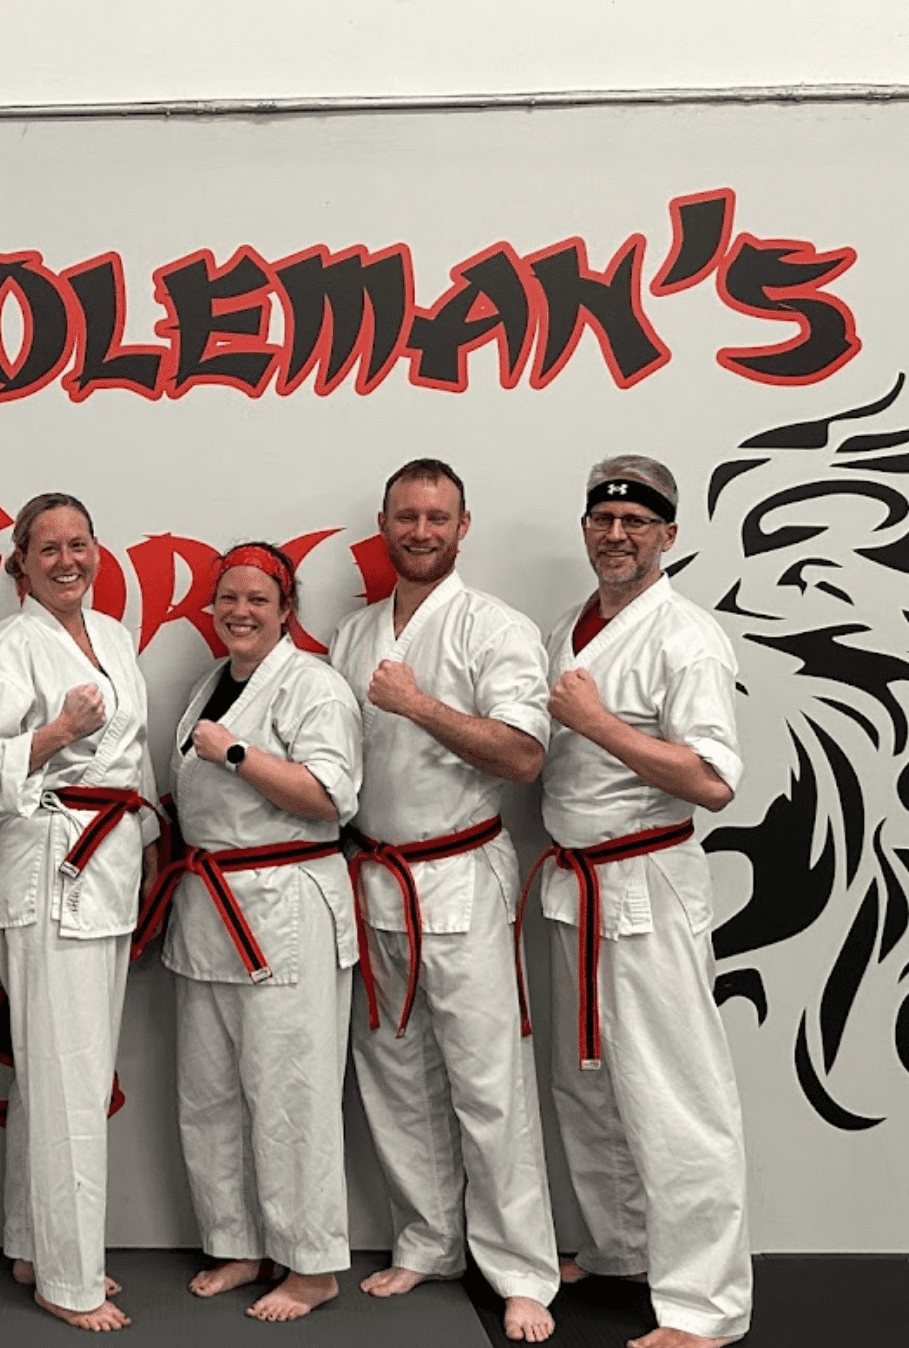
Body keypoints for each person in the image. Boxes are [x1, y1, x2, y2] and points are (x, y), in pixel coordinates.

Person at [327, 460, 559, 1343]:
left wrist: (418, 704)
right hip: (375, 876)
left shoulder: (493, 627)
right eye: (406, 516)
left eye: (437, 517)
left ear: (465, 527)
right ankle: (428, 1239)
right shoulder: (353, 635)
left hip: (461, 876)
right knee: (393, 1075)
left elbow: (523, 756)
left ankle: (523, 1270)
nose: (420, 531)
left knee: (488, 1085)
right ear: (383, 523)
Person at [539, 455, 750, 1348]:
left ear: (669, 534)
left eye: (637, 522)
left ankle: (705, 1308)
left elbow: (710, 782)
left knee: (675, 1095)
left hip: (647, 881)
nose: (616, 535)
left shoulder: (685, 635)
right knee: (587, 1086)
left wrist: (599, 725)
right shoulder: (571, 627)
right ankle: (623, 1247)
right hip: (575, 886)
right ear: (586, 526)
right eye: (603, 519)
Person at [0, 492, 160, 1333]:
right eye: (49, 549)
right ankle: (71, 1279)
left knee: (60, 1075)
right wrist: (54, 734)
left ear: (96, 552)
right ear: (21, 562)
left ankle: (34, 1244)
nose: (67, 560)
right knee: (68, 1079)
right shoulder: (8, 646)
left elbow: (133, 757)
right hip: (47, 863)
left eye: (80, 544)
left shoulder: (113, 636)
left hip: (107, 861)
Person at [139, 542, 360, 1322]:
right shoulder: (211, 683)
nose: (239, 611)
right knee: (211, 1092)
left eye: (257, 600)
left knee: (291, 1091)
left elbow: (332, 797)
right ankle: (236, 1240)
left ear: (286, 609)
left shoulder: (313, 686)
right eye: (227, 598)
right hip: (209, 904)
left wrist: (236, 752)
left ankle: (310, 1264)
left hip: (285, 905)